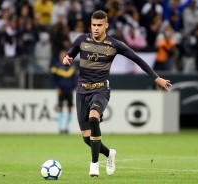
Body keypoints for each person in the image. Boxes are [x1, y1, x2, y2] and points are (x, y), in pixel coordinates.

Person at [62, 10, 172, 177]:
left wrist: (156, 78)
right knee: (86, 138)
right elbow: (69, 55)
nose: (96, 28)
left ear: (106, 25)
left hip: (100, 90)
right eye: (93, 25)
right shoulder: (81, 40)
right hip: (82, 90)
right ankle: (109, 154)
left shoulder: (114, 45)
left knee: (93, 118)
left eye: (99, 25)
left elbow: (137, 59)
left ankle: (94, 165)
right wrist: (66, 59)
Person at [50, 49, 77, 134]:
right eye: (62, 55)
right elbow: (53, 79)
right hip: (61, 90)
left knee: (69, 108)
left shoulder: (71, 67)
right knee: (60, 107)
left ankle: (67, 127)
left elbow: (74, 78)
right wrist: (56, 87)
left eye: (64, 55)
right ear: (59, 56)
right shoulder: (56, 67)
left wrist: (75, 86)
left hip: (69, 90)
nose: (63, 56)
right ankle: (61, 127)